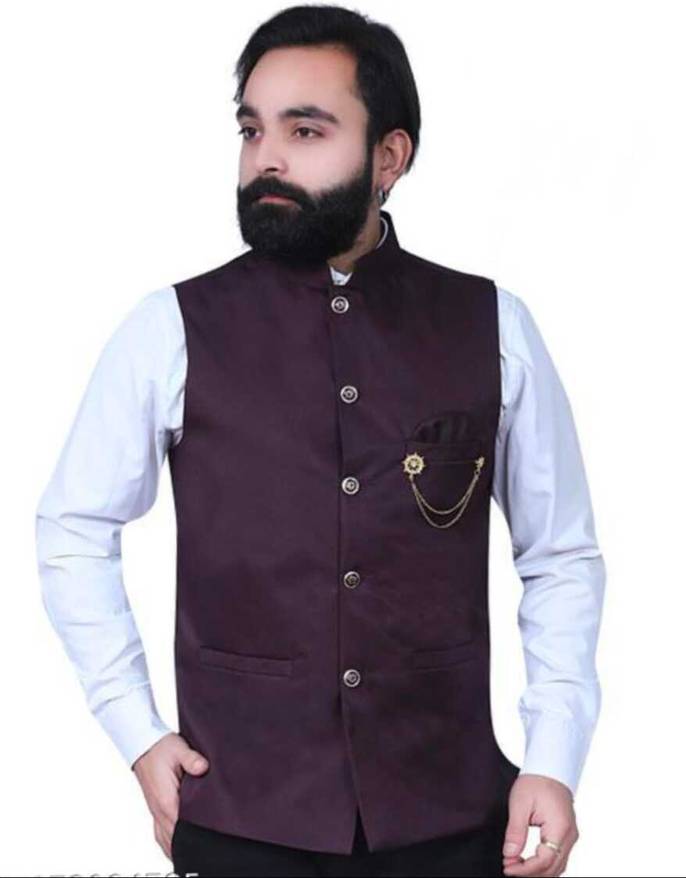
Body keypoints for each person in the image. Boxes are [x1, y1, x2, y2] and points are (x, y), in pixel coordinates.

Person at [35, 5, 605, 877]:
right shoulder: (170, 328)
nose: (267, 157)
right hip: (239, 812)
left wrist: (554, 759)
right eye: (252, 129)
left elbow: (559, 553)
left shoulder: (492, 325)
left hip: (453, 817)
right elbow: (73, 528)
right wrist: (137, 732)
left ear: (390, 157)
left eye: (306, 131)